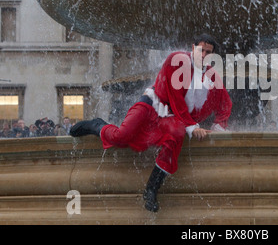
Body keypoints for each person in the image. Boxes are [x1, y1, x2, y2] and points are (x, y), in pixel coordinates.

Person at [70, 33, 233, 212]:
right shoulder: (176, 61)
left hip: (173, 117)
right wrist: (193, 127)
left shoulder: (211, 76)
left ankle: (152, 188)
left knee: (176, 135)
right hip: (153, 104)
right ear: (193, 48)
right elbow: (176, 98)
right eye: (201, 50)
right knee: (122, 136)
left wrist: (218, 126)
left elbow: (225, 103)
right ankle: (96, 125)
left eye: (208, 53)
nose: (203, 56)